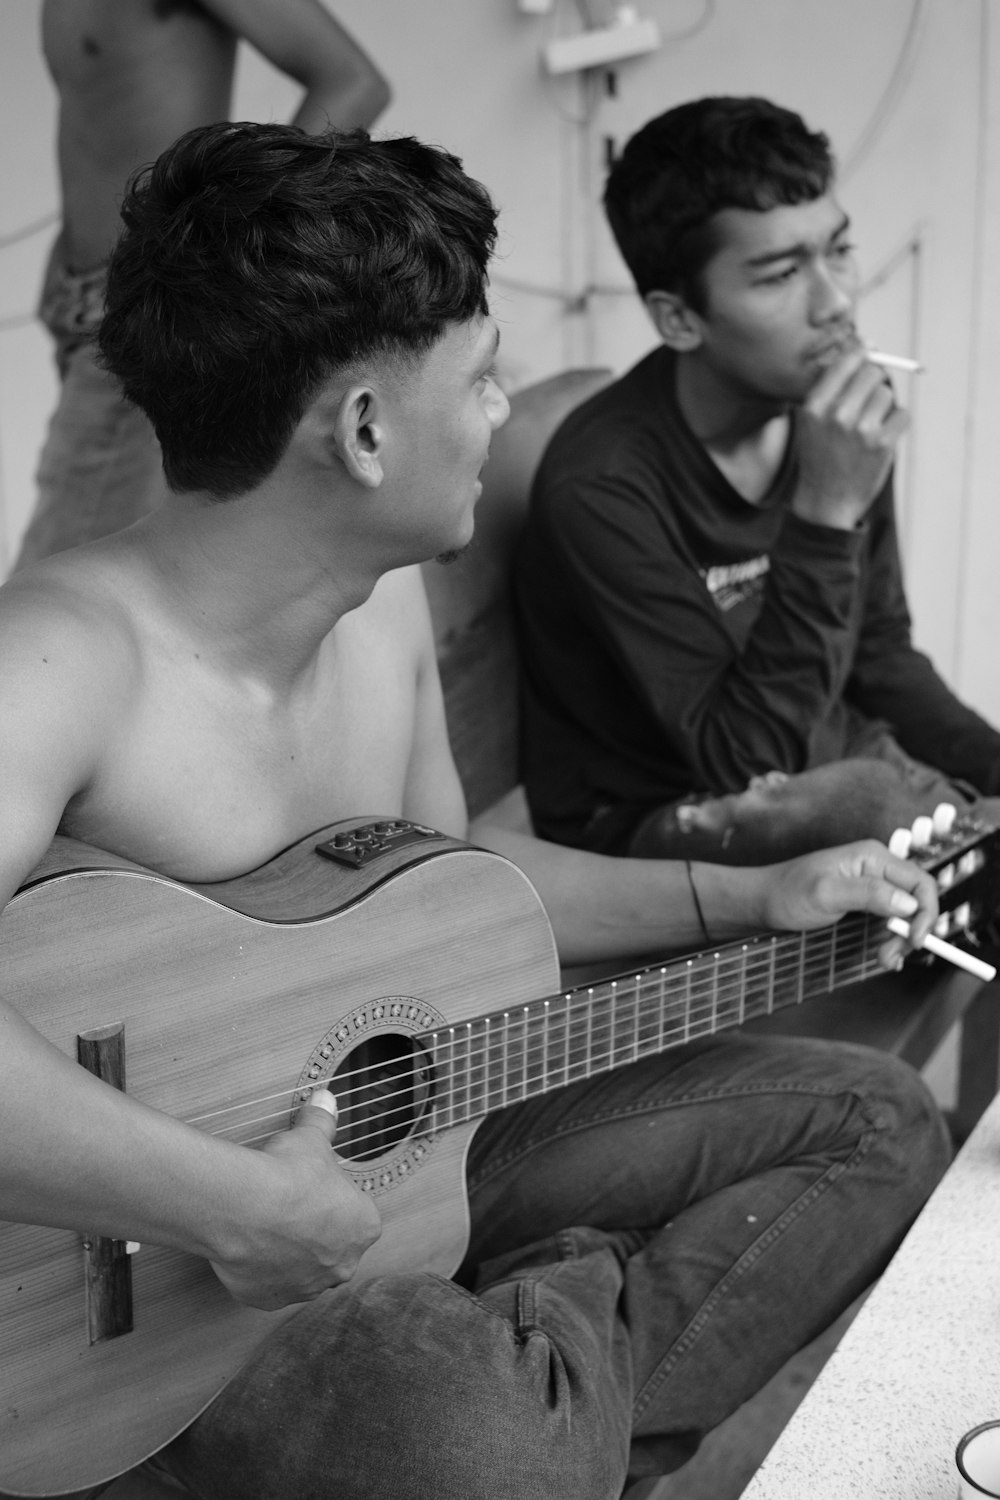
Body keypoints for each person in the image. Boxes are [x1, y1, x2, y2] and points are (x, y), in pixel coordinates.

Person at [0, 122, 950, 1499]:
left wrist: (753, 895)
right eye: (486, 375)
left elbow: (454, 878)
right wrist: (233, 1204)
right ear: (369, 431)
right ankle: (547, 1357)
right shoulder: (55, 663)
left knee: (875, 1123)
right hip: (166, 1285)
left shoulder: (379, 611)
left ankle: (538, 1369)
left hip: (423, 1146)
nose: (508, 412)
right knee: (474, 1439)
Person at [513, 95, 1000, 861]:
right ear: (680, 320)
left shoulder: (836, 423)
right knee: (882, 808)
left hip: (829, 755)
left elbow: (878, 654)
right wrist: (826, 510)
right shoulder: (604, 484)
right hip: (665, 808)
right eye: (780, 275)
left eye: (838, 251)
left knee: (925, 804)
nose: (837, 302)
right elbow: (746, 762)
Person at [12, 0, 390, 571]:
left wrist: (220, 249)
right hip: (85, 307)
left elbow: (353, 83)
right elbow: (102, 118)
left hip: (149, 306)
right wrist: (66, 253)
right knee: (118, 578)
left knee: (49, 592)